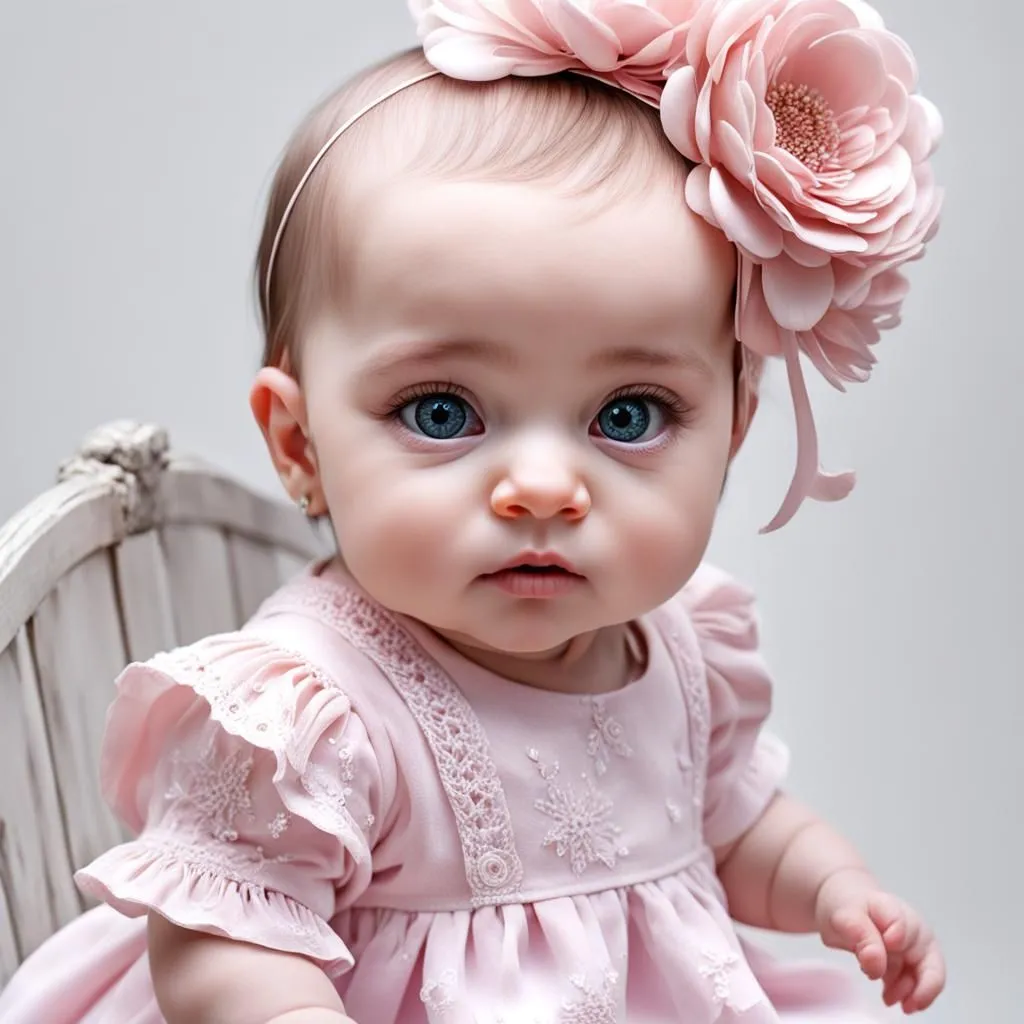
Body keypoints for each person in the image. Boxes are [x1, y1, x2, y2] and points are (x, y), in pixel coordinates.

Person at [0, 1, 946, 1021]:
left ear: (733, 432)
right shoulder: (314, 712)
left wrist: (831, 887)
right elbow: (220, 940)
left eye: (627, 415)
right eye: (442, 411)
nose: (542, 485)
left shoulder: (681, 653)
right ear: (299, 441)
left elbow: (736, 828)